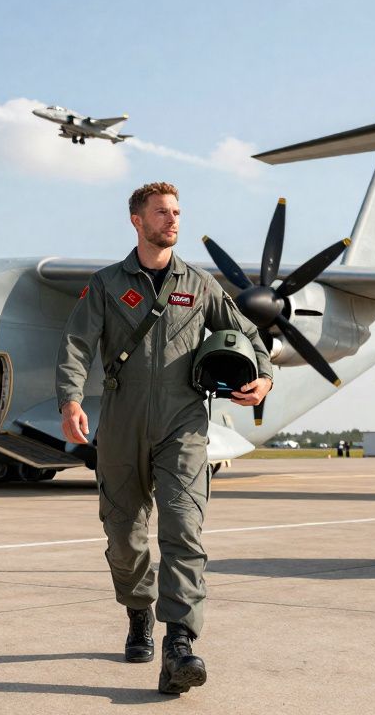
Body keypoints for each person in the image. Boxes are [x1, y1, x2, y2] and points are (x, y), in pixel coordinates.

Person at [56, 182, 272, 695]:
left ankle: (179, 643)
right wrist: (70, 399)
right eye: (161, 212)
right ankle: (138, 611)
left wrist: (263, 375)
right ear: (137, 220)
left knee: (183, 529)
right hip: (122, 420)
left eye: (176, 211)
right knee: (124, 535)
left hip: (183, 422)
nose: (173, 219)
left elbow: (248, 332)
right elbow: (76, 343)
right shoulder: (107, 284)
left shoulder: (200, 285)